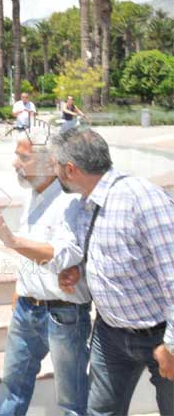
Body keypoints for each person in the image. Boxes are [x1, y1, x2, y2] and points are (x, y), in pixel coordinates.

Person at [50, 128, 174, 415]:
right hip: (110, 336)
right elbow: (114, 252)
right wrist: (80, 270)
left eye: (55, 165)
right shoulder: (88, 204)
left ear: (71, 169)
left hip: (161, 335)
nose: (54, 172)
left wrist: (172, 345)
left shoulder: (142, 198)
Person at [0, 132, 90, 416]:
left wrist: (13, 242)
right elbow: (33, 252)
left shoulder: (71, 202)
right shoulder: (31, 196)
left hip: (63, 314)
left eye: (23, 157)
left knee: (72, 402)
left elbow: (64, 254)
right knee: (12, 390)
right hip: (26, 310)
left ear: (50, 162)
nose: (15, 164)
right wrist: (19, 291)